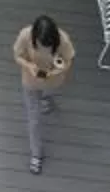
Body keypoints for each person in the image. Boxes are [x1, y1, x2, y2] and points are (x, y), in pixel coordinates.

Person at [13, 13, 74, 175]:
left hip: (53, 81)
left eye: (47, 45)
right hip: (31, 82)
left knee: (48, 95)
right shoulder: (25, 35)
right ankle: (36, 155)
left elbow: (68, 61)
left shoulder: (63, 40)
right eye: (40, 45)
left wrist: (56, 71)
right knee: (34, 120)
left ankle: (47, 100)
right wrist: (29, 66)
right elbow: (17, 56)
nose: (44, 48)